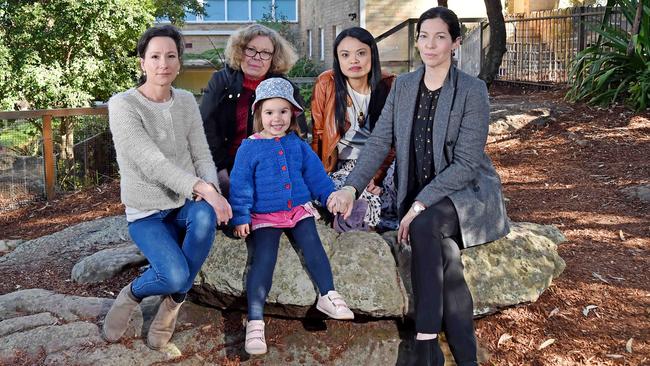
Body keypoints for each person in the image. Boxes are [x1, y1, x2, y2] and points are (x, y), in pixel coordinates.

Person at [327, 7, 509, 366]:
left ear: (455, 43)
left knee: (424, 227)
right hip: (418, 197)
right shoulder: (405, 86)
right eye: (424, 36)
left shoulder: (472, 91)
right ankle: (466, 354)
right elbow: (379, 142)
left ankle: (425, 344)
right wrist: (351, 188)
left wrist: (419, 205)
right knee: (446, 257)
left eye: (440, 37)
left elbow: (467, 165)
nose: (430, 44)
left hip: (463, 195)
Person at [103, 25, 232, 350]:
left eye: (171, 56)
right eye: (155, 56)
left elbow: (201, 153)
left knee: (204, 216)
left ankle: (169, 307)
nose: (163, 63)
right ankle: (133, 294)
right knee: (174, 275)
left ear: (179, 61)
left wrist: (212, 191)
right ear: (142, 63)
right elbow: (152, 163)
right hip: (147, 214)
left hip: (183, 206)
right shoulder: (123, 105)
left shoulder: (186, 100)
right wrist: (206, 189)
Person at [229, 78, 354, 356]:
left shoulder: (296, 144)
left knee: (312, 244)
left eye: (283, 112)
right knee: (264, 259)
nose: (277, 118)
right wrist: (241, 216)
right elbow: (240, 184)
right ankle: (255, 320)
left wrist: (329, 197)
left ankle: (328, 294)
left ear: (293, 114)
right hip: (265, 215)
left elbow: (316, 176)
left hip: (298, 209)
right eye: (270, 112)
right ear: (259, 114)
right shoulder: (250, 147)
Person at [200, 24, 307, 197]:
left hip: (269, 166)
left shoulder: (285, 88)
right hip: (226, 164)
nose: (257, 57)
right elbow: (205, 127)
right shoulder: (221, 81)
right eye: (251, 50)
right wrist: (219, 169)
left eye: (265, 53)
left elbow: (298, 134)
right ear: (239, 51)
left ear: (274, 58)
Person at [311, 27, 396, 229]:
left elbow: (395, 141)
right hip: (341, 165)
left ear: (372, 55)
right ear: (337, 59)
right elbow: (318, 136)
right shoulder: (326, 83)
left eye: (361, 53)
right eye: (345, 55)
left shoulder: (390, 85)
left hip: (380, 165)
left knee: (386, 195)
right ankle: (354, 219)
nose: (353, 60)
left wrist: (376, 176)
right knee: (341, 198)